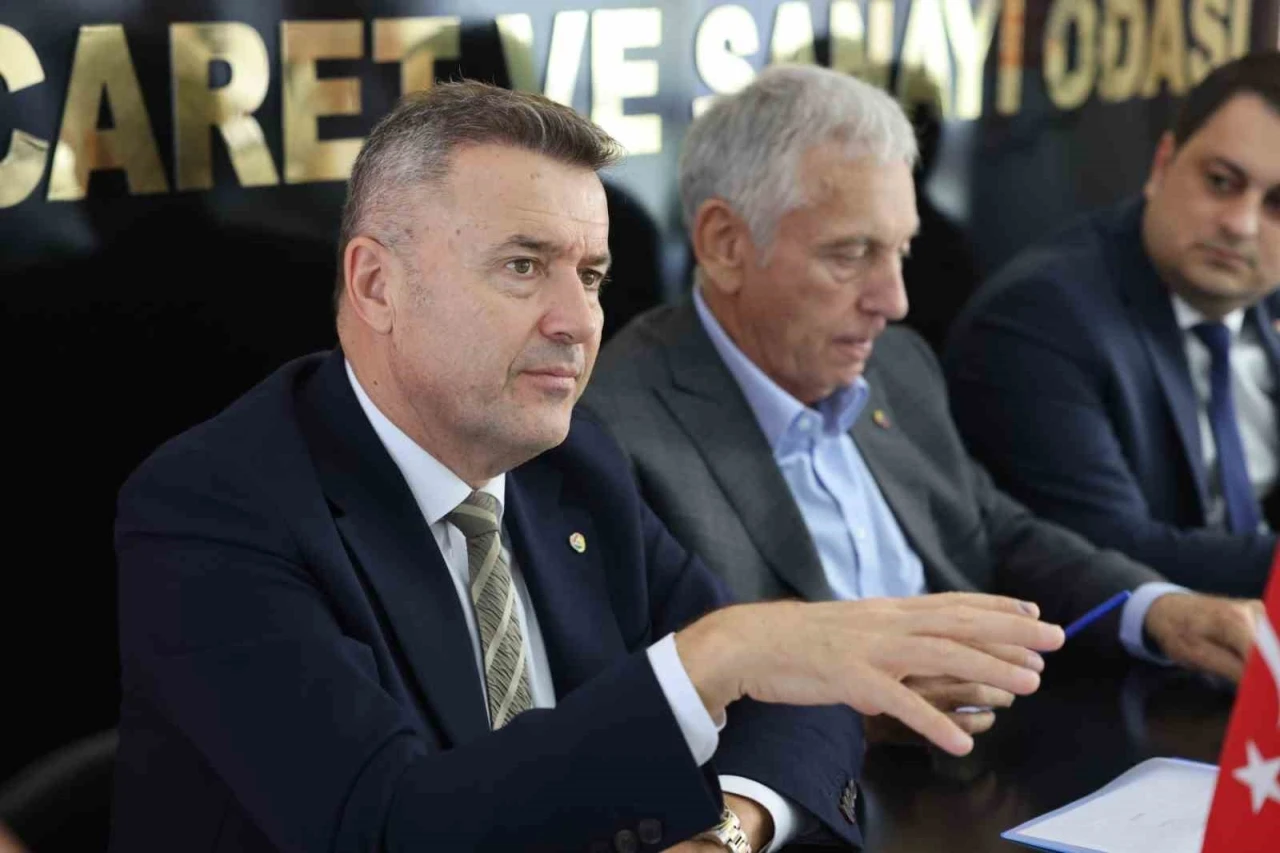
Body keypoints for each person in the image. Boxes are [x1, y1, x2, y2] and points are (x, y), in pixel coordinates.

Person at [111, 81, 1062, 853]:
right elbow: (386, 824)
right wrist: (710, 658)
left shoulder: (572, 465)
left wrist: (730, 828)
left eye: (592, 275)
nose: (576, 322)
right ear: (376, 283)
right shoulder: (214, 509)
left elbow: (802, 699)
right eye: (524, 266)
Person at [581, 65, 1261, 747]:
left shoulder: (897, 364)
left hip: (988, 757)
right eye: (852, 254)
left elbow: (995, 532)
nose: (895, 301)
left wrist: (1157, 609)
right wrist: (860, 709)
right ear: (725, 244)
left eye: (901, 252)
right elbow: (650, 701)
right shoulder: (616, 434)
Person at [944, 52, 1280, 598]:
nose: (1240, 224)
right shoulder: (1041, 318)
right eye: (1221, 181)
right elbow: (1114, 555)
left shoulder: (1264, 297)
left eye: (1278, 205)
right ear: (1162, 164)